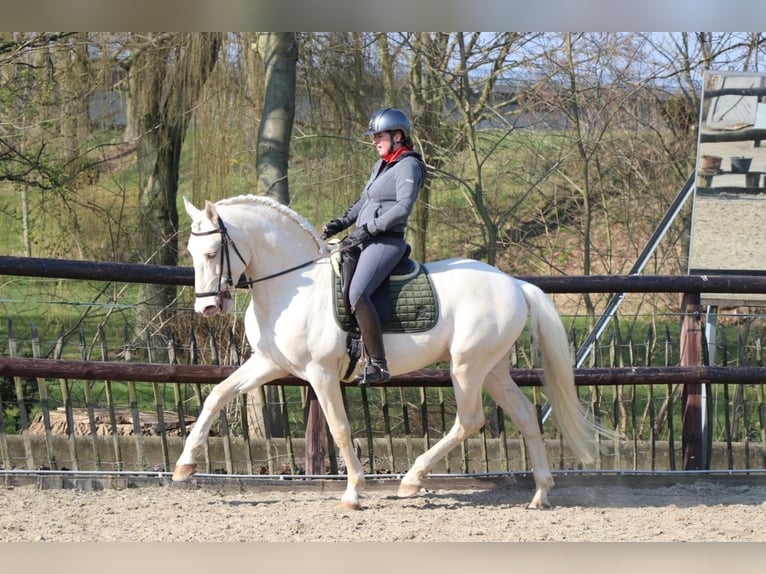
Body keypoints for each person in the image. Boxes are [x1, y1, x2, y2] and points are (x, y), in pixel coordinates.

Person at [321, 107, 427, 385]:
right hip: (365, 238)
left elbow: (403, 207)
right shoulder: (382, 165)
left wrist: (370, 228)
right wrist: (339, 223)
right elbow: (364, 201)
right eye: (373, 136)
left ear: (398, 135)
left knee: (356, 292)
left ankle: (379, 365)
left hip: (385, 241)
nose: (374, 141)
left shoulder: (408, 165)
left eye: (379, 136)